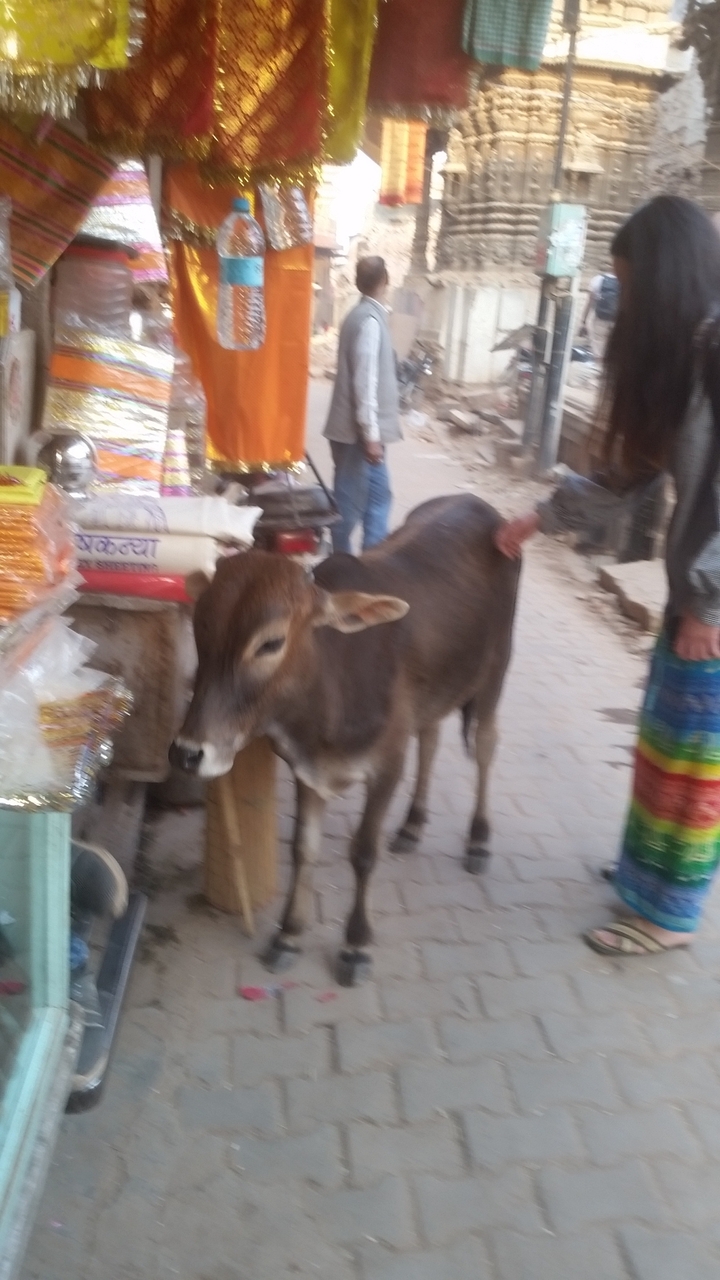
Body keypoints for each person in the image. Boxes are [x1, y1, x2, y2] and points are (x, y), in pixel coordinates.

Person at [495, 194, 720, 957]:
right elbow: (629, 477)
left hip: (714, 599)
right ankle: (642, 876)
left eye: (628, 286)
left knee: (695, 758)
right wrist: (540, 518)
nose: (619, 305)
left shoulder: (716, 351)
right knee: (664, 734)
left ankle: (667, 917)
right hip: (696, 588)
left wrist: (708, 606)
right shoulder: (684, 359)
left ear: (664, 283)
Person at [323, 255, 401, 553]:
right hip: (359, 436)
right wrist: (370, 435)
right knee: (352, 504)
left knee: (376, 500)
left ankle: (369, 565)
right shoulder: (369, 321)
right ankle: (341, 566)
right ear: (385, 281)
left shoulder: (360, 316)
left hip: (356, 434)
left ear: (357, 283)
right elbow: (364, 383)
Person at [580, 268, 619, 362]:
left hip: (600, 319)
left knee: (599, 349)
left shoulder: (598, 279)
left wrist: (583, 321)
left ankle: (599, 370)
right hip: (618, 321)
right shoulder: (625, 282)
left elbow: (589, 303)